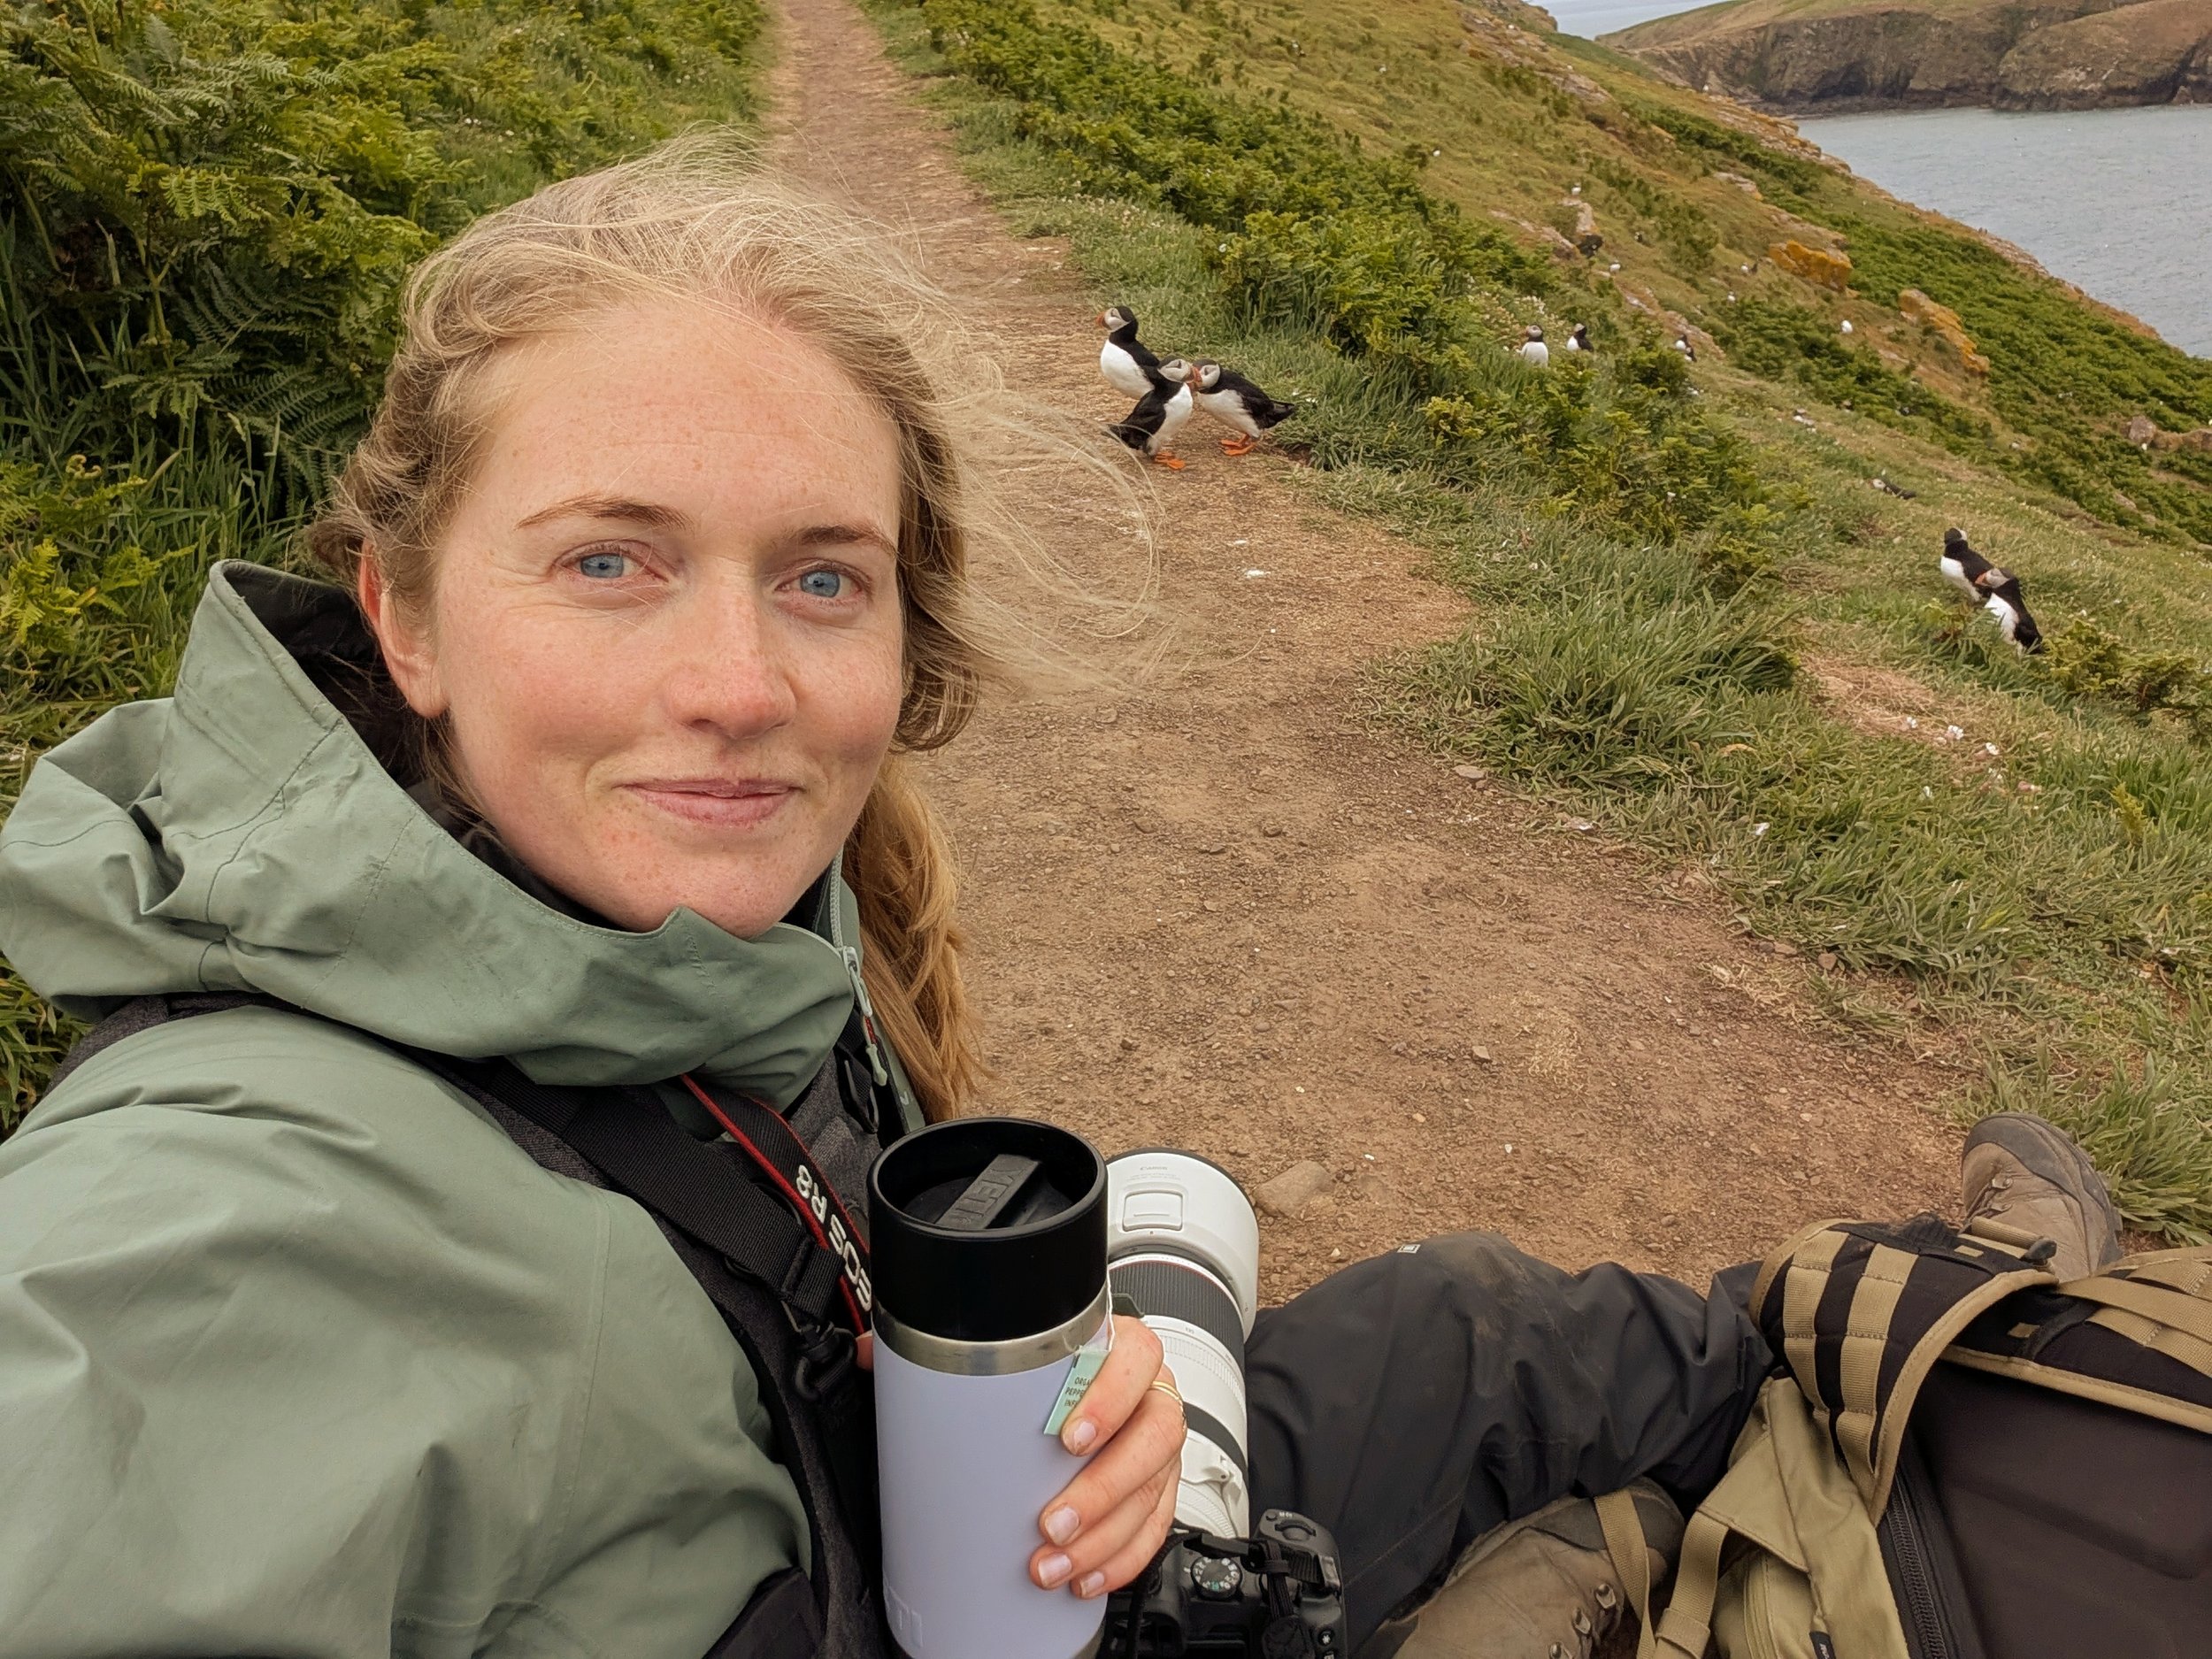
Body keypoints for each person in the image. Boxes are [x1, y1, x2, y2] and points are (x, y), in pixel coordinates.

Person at [0, 143, 2118, 1659]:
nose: (738, 685)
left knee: (1471, 1322)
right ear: (401, 611)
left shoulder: (646, 939)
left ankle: (1904, 1303)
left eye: (820, 574)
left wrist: (1047, 1412)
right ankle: (1954, 1342)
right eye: (606, 557)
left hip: (980, 1577)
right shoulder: (217, 1248)